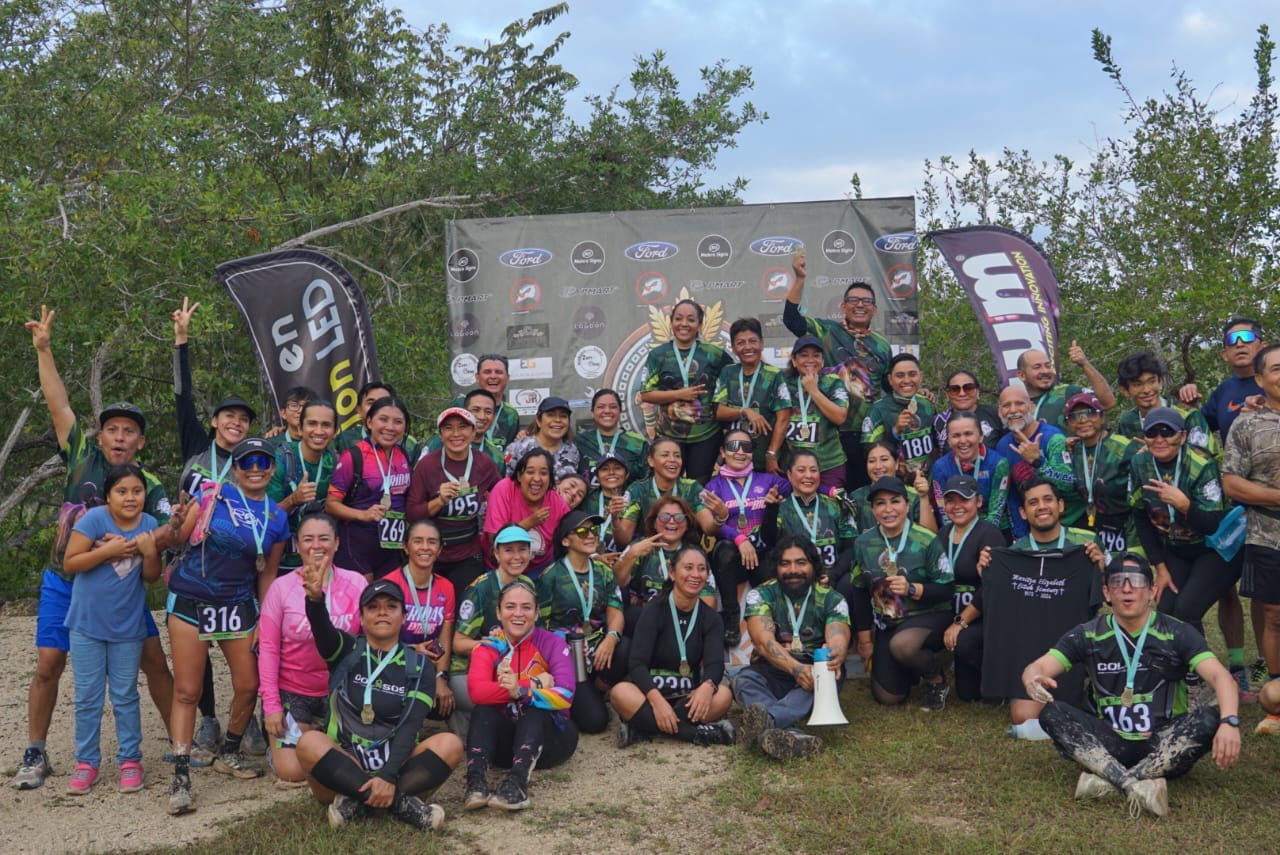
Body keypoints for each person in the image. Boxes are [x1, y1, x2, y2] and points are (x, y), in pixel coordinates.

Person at [13, 306, 175, 792]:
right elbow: (57, 402)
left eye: (129, 431)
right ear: (100, 435)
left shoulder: (149, 484)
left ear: (140, 441)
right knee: (48, 663)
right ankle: (35, 751)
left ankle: (180, 746)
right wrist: (44, 350)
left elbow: (167, 530)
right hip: (67, 580)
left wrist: (141, 541)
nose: (120, 437)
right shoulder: (80, 456)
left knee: (152, 661)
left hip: (123, 591)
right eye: (112, 429)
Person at [1022, 553, 1241, 817]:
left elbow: (1221, 678)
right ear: (1106, 592)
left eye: (1136, 581)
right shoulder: (1088, 633)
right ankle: (1132, 784)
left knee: (1209, 718)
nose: (1127, 588)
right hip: (1107, 741)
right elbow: (1039, 667)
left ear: (1152, 591)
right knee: (1051, 713)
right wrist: (1031, 677)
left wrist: (1230, 722)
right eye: (1117, 582)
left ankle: (1109, 780)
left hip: (1163, 742)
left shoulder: (1177, 632)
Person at [165, 437, 290, 815]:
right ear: (235, 468)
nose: (255, 467)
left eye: (263, 461)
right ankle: (181, 775)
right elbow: (177, 539)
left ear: (271, 469)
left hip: (238, 605)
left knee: (249, 685)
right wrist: (174, 522)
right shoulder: (211, 495)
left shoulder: (276, 516)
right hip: (191, 599)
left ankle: (230, 751)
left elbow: (267, 574)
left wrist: (266, 620)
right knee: (187, 690)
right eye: (247, 461)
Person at [296, 577, 462, 831]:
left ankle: (357, 803)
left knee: (451, 744)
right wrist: (315, 600)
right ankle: (400, 804)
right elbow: (321, 627)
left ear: (404, 617)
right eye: (373, 607)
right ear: (361, 618)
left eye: (391, 606)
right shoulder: (346, 649)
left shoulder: (419, 666)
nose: (382, 611)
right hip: (345, 763)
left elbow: (410, 724)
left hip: (397, 766)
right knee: (308, 742)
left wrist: (388, 774)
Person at [171, 297, 261, 760]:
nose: (235, 422)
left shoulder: (253, 466)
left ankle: (246, 727)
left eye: (243, 419)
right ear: (214, 423)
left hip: (236, 573)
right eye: (228, 416)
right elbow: (182, 397)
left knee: (246, 657)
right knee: (196, 654)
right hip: (190, 565)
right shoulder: (196, 447)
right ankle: (205, 720)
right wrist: (181, 341)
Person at [60, 463, 163, 795]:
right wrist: (108, 551)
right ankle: (86, 762)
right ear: (108, 496)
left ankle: (130, 761)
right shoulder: (94, 520)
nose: (130, 498)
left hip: (128, 627)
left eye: (137, 491)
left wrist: (149, 552)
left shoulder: (149, 524)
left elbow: (150, 576)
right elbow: (70, 563)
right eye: (122, 491)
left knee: (125, 696)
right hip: (87, 624)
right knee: (88, 698)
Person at [977, 477, 1105, 736]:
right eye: (1033, 503)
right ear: (1023, 513)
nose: (1041, 507)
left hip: (1074, 644)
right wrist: (988, 574)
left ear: (1060, 506)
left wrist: (1100, 569)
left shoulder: (1086, 545)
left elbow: (1101, 601)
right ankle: (1071, 720)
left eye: (1047, 500)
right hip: (1030, 647)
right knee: (1022, 717)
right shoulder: (1014, 553)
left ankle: (1086, 693)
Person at [257, 514, 366, 788]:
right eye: (308, 539)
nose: (316, 546)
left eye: (324, 539)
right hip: (294, 691)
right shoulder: (280, 588)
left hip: (341, 691)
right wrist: (271, 706)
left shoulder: (356, 584)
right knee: (293, 771)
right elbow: (268, 649)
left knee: (355, 762)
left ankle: (319, 736)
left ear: (337, 544)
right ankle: (291, 742)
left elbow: (371, 640)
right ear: (297, 545)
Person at [1129, 408, 1237, 664]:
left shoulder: (1201, 464)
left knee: (1187, 609)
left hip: (1215, 548)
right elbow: (1140, 516)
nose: (1159, 439)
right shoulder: (1140, 464)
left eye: (1167, 432)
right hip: (1176, 548)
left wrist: (1185, 505)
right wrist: (1160, 568)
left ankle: (1202, 678)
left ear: (1183, 435)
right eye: (1152, 432)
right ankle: (1178, 674)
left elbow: (1212, 524)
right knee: (1166, 611)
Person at [464, 580, 578, 812]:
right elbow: (478, 692)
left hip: (551, 742)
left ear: (537, 613)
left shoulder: (553, 642)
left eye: (526, 607)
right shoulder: (487, 647)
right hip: (504, 745)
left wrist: (523, 693)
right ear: (498, 612)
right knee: (483, 709)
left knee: (535, 709)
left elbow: (565, 695)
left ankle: (517, 784)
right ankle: (476, 782)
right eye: (510, 606)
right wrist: (532, 685)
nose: (518, 613)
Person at [735, 535, 850, 760]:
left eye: (801, 563)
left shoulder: (832, 598)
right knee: (743, 680)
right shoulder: (761, 594)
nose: (792, 570)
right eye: (785, 564)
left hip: (813, 674)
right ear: (776, 568)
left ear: (813, 566)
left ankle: (768, 721)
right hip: (775, 670)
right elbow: (762, 641)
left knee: (826, 676)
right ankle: (790, 735)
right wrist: (796, 669)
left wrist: (836, 651)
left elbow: (838, 634)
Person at [783, 254, 892, 491]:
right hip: (832, 432)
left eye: (866, 301)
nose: (860, 305)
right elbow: (791, 319)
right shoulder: (826, 330)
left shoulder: (882, 345)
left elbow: (889, 385)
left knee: (867, 494)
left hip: (866, 432)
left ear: (874, 309)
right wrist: (800, 278)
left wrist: (917, 394)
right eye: (853, 300)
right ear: (843, 307)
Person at [614, 545, 735, 747]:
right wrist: (656, 700)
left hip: (688, 699)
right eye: (688, 568)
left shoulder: (711, 618)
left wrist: (707, 686)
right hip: (651, 695)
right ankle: (697, 733)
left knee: (723, 695)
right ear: (672, 572)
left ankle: (643, 728)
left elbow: (715, 664)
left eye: (701, 569)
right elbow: (636, 664)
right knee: (620, 693)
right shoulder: (654, 611)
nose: (695, 575)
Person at [850, 477, 954, 711]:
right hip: (891, 618)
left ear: (907, 505)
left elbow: (947, 589)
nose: (888, 509)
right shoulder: (863, 543)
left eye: (895, 501)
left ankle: (935, 678)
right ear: (873, 509)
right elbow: (858, 589)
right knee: (887, 696)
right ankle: (910, 668)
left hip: (929, 616)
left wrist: (912, 589)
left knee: (903, 646)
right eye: (880, 503)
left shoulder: (927, 539)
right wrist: (865, 639)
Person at [1223, 342, 1280, 734]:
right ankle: (1276, 700)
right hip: (1267, 534)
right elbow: (1231, 483)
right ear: (1259, 378)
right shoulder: (1247, 423)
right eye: (1275, 369)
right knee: (1273, 614)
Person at [537, 511, 628, 734]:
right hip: (567, 654)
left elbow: (615, 611)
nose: (590, 536)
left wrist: (611, 638)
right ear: (565, 541)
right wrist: (561, 648)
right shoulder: (550, 576)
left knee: (626, 647)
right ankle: (579, 693)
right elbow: (540, 626)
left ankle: (598, 688)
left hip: (597, 649)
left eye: (593, 531)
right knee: (595, 722)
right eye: (582, 531)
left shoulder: (604, 571)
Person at [449, 526, 538, 742]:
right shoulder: (479, 589)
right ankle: (464, 716)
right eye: (509, 550)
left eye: (522, 549)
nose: (517, 557)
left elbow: (534, 632)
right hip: (468, 671)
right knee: (519, 696)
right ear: (496, 554)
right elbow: (458, 644)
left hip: (510, 667)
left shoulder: (527, 584)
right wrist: (491, 644)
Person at [704, 429, 791, 643]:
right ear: (723, 452)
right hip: (732, 561)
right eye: (733, 446)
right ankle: (731, 617)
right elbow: (712, 523)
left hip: (762, 555)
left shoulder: (770, 481)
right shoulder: (713, 486)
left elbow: (803, 486)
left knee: (774, 558)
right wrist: (739, 538)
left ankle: (779, 625)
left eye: (747, 447)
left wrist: (830, 491)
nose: (740, 452)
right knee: (724, 551)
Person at [406, 407, 500, 592]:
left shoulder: (484, 463)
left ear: (474, 432)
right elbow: (411, 514)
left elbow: (503, 493)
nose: (456, 434)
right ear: (440, 435)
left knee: (465, 611)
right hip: (432, 555)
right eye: (448, 428)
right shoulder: (427, 465)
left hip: (468, 555)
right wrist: (439, 501)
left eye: (463, 427)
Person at [639, 298, 732, 482]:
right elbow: (646, 394)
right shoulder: (658, 355)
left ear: (700, 324)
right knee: (666, 485)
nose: (684, 324)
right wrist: (679, 394)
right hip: (668, 435)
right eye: (679, 319)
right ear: (671, 322)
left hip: (706, 436)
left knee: (699, 487)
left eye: (691, 319)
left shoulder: (714, 354)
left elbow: (734, 378)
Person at [325, 396, 414, 580]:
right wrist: (363, 515)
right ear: (369, 422)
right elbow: (331, 505)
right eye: (383, 419)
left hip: (392, 548)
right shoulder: (353, 456)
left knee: (388, 603)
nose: (390, 427)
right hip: (357, 545)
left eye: (398, 422)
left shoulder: (403, 454)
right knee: (364, 602)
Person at [937, 476, 1007, 703]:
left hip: (982, 618)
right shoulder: (942, 534)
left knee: (965, 643)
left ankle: (1001, 677)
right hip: (952, 612)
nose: (957, 507)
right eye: (950, 501)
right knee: (967, 694)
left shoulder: (989, 534)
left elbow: (993, 587)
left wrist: (960, 623)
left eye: (964, 500)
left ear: (978, 501)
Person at [614, 496, 719, 633]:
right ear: (654, 522)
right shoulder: (638, 546)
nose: (671, 521)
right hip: (646, 622)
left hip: (683, 623)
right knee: (633, 615)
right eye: (664, 516)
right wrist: (632, 554)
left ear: (687, 523)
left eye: (679, 517)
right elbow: (617, 582)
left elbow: (709, 601)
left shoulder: (695, 554)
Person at [387, 521, 456, 722]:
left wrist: (440, 678)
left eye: (432, 542)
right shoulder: (390, 584)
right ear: (406, 547)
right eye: (418, 541)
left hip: (429, 668)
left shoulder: (446, 587)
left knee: (443, 706)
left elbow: (445, 636)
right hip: (396, 663)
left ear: (440, 549)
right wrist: (411, 650)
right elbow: (379, 642)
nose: (425, 547)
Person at [771, 450, 858, 604]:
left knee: (851, 582)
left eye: (813, 470)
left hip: (834, 575)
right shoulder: (781, 509)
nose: (808, 476)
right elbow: (771, 547)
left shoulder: (836, 505)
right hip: (796, 576)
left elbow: (851, 548)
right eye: (801, 470)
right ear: (789, 475)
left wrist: (834, 575)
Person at [268, 398, 339, 575]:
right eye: (312, 424)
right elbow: (265, 518)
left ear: (335, 431)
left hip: (321, 562)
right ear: (300, 428)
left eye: (326, 425)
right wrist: (293, 499)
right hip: (280, 562)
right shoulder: (279, 459)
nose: (319, 431)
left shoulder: (336, 463)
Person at [613, 437, 727, 547]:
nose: (672, 459)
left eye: (677, 456)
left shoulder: (692, 488)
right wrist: (614, 519)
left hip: (685, 556)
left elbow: (709, 529)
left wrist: (720, 517)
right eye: (665, 455)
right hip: (649, 556)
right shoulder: (637, 490)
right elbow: (624, 541)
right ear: (651, 461)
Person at [994, 383, 1075, 537]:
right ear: (999, 412)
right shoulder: (1003, 445)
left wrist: (1039, 462)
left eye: (1019, 403)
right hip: (1029, 533)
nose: (1013, 410)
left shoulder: (1053, 437)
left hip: (1065, 529)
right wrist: (1020, 536)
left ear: (1031, 407)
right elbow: (1010, 496)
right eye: (1006, 405)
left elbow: (1068, 484)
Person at [1062, 392, 1138, 554]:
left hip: (1131, 528)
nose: (1083, 420)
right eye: (1075, 416)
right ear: (1068, 425)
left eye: (1090, 413)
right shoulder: (1072, 451)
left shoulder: (1124, 448)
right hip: (1095, 527)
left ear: (1102, 417)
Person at [713, 317, 792, 474]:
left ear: (761, 344)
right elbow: (719, 412)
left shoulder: (774, 375)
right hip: (733, 457)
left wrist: (771, 454)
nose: (747, 347)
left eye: (753, 341)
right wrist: (745, 411)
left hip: (762, 458)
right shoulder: (728, 373)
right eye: (741, 343)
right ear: (734, 348)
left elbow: (783, 418)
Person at [482, 447, 570, 578]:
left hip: (541, 569)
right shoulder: (504, 489)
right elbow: (494, 538)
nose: (537, 479)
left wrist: (595, 556)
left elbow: (573, 533)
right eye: (530, 472)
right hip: (500, 567)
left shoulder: (556, 501)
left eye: (544, 473)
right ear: (519, 475)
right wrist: (530, 522)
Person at [1114, 351, 1216, 455]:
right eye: (1137, 384)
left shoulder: (1187, 414)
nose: (1147, 389)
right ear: (1125, 390)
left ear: (1160, 382)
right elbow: (1123, 461)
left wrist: (1159, 453)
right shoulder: (1128, 422)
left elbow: (1205, 456)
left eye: (1152, 381)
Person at [782, 334, 851, 489]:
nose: (810, 360)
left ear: (822, 360)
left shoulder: (832, 382)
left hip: (828, 463)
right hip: (793, 466)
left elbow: (840, 417)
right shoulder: (783, 382)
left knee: (830, 510)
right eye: (804, 355)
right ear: (794, 360)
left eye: (816, 355)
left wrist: (814, 391)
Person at [929, 410, 1011, 535]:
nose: (963, 440)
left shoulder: (998, 463)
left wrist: (977, 539)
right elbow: (944, 511)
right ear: (949, 440)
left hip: (993, 530)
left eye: (968, 434)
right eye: (956, 435)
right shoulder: (940, 467)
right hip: (956, 529)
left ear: (981, 436)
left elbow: (996, 511)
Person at [863, 353, 937, 475]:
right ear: (890, 380)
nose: (907, 380)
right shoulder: (877, 410)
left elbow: (936, 442)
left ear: (921, 376)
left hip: (927, 482)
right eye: (900, 376)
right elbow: (868, 451)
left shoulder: (927, 403)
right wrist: (895, 432)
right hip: (894, 484)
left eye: (912, 374)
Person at [1016, 343, 1116, 431]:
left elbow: (1108, 403)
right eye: (1037, 367)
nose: (1045, 371)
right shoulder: (1015, 404)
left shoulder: (1067, 392)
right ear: (1022, 375)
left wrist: (1084, 364)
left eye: (1048, 366)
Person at [848, 440, 937, 534]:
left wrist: (923, 497)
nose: (878, 466)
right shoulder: (855, 498)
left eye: (884, 459)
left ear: (897, 463)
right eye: (872, 461)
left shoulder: (914, 496)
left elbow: (930, 537)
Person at [575, 388, 649, 484]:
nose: (607, 411)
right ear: (592, 412)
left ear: (620, 411)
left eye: (613, 407)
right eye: (601, 407)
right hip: (591, 498)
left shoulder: (637, 443)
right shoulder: (581, 441)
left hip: (627, 499)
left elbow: (646, 481)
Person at [419, 389, 505, 469]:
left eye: (488, 412)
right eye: (475, 410)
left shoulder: (497, 456)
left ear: (493, 418)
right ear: (464, 412)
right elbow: (420, 477)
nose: (481, 417)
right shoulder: (439, 443)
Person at [334, 381, 419, 460]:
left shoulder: (409, 444)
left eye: (384, 402)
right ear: (359, 410)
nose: (377, 407)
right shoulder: (343, 440)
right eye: (371, 403)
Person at [451, 354, 521, 451]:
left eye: (499, 372)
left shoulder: (511, 414)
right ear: (477, 377)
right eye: (487, 372)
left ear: (507, 378)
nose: (493, 376)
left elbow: (510, 453)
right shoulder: (460, 406)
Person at [504, 396, 580, 481]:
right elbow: (508, 485)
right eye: (550, 415)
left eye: (563, 416)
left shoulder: (572, 450)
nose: (558, 420)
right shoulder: (516, 448)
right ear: (538, 421)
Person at [932, 369, 1003, 451]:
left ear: (978, 393)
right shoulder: (938, 421)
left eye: (968, 388)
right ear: (947, 395)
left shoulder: (996, 414)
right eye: (955, 389)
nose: (962, 393)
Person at [582, 452, 631, 559]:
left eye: (617, 468)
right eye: (605, 469)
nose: (611, 472)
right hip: (587, 559)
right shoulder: (586, 497)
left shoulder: (633, 499)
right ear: (597, 477)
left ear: (626, 475)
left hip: (621, 561)